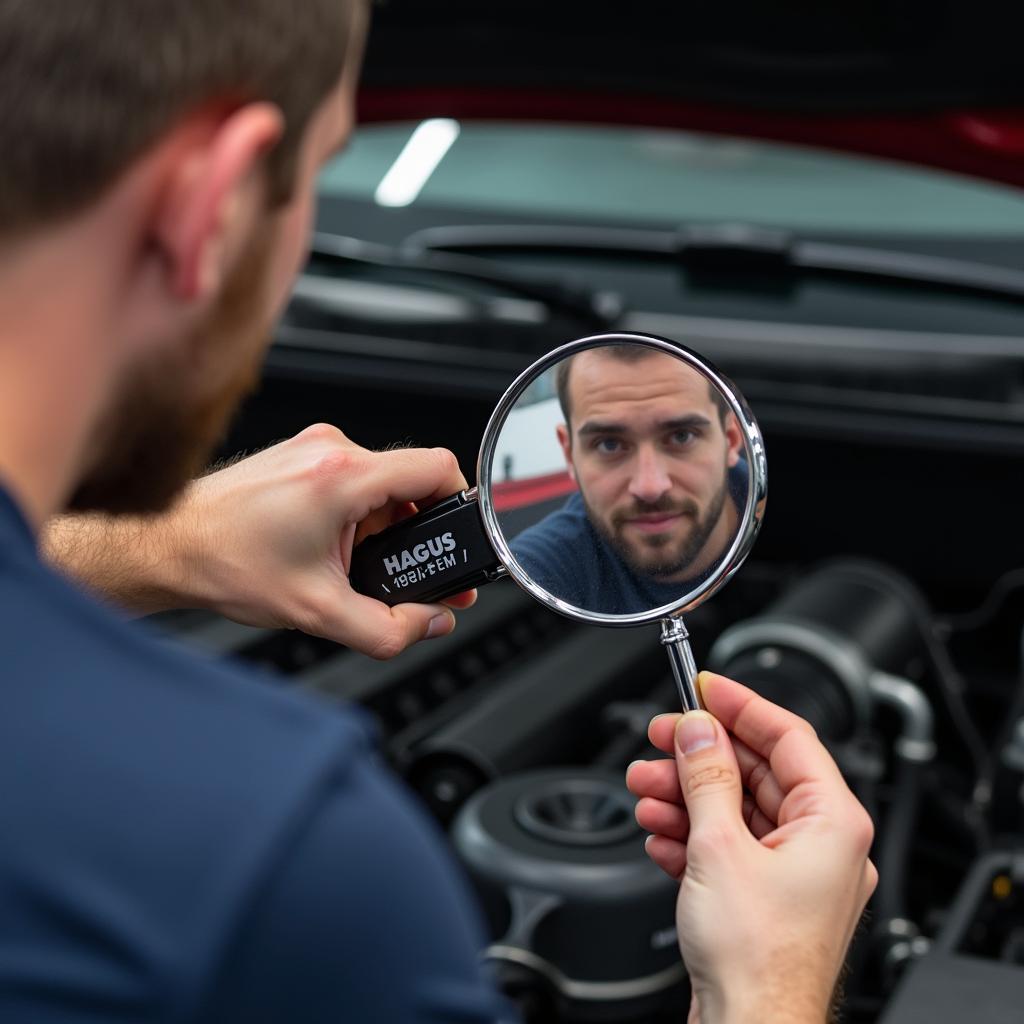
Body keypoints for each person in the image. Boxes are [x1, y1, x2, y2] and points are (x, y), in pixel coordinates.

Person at [0, 2, 875, 1021]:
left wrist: (162, 543)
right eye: (320, 177)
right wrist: (771, 984)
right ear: (218, 201)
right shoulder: (283, 863)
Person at [510, 344, 747, 614]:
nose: (649, 487)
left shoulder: (803, 520)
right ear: (569, 453)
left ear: (731, 439)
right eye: (609, 444)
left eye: (682, 436)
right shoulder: (533, 571)